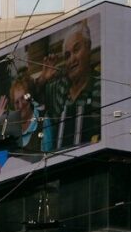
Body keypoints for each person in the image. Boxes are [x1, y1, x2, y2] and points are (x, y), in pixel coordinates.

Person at [32, 21, 101, 151]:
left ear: (88, 47)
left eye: (76, 50)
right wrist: (42, 79)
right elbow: (31, 99)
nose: (72, 59)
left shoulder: (100, 86)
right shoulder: (58, 88)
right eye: (67, 55)